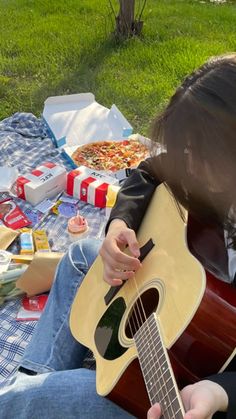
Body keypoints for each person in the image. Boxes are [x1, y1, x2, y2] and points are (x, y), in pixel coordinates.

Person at [0, 53, 236, 418]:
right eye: (186, 149)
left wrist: (219, 392)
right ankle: (35, 378)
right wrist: (119, 226)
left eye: (200, 154)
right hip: (177, 302)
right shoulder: (206, 165)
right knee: (81, 257)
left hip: (179, 384)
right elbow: (150, 171)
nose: (186, 165)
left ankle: (27, 394)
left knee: (20, 401)